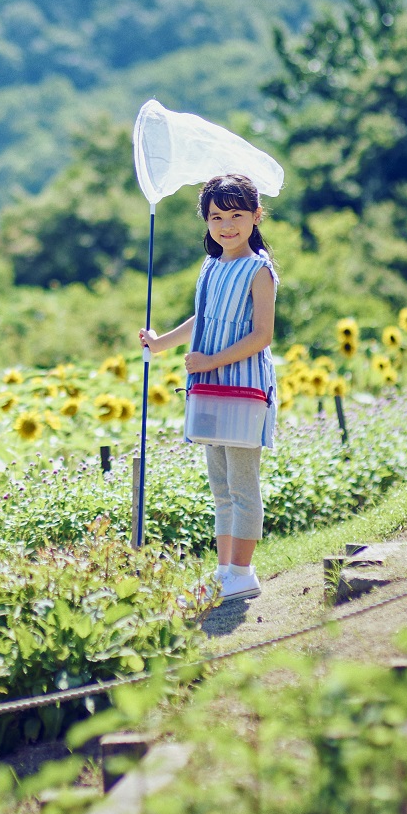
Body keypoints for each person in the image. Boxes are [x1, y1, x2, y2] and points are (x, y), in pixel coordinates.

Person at [139, 173, 278, 603]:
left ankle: (243, 572)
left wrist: (209, 361)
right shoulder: (211, 265)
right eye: (217, 216)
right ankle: (224, 573)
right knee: (220, 485)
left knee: (242, 483)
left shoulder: (260, 271)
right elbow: (204, 318)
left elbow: (261, 336)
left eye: (237, 215)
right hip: (208, 385)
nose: (227, 225)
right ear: (206, 222)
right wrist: (161, 344)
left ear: (256, 217)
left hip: (243, 385)